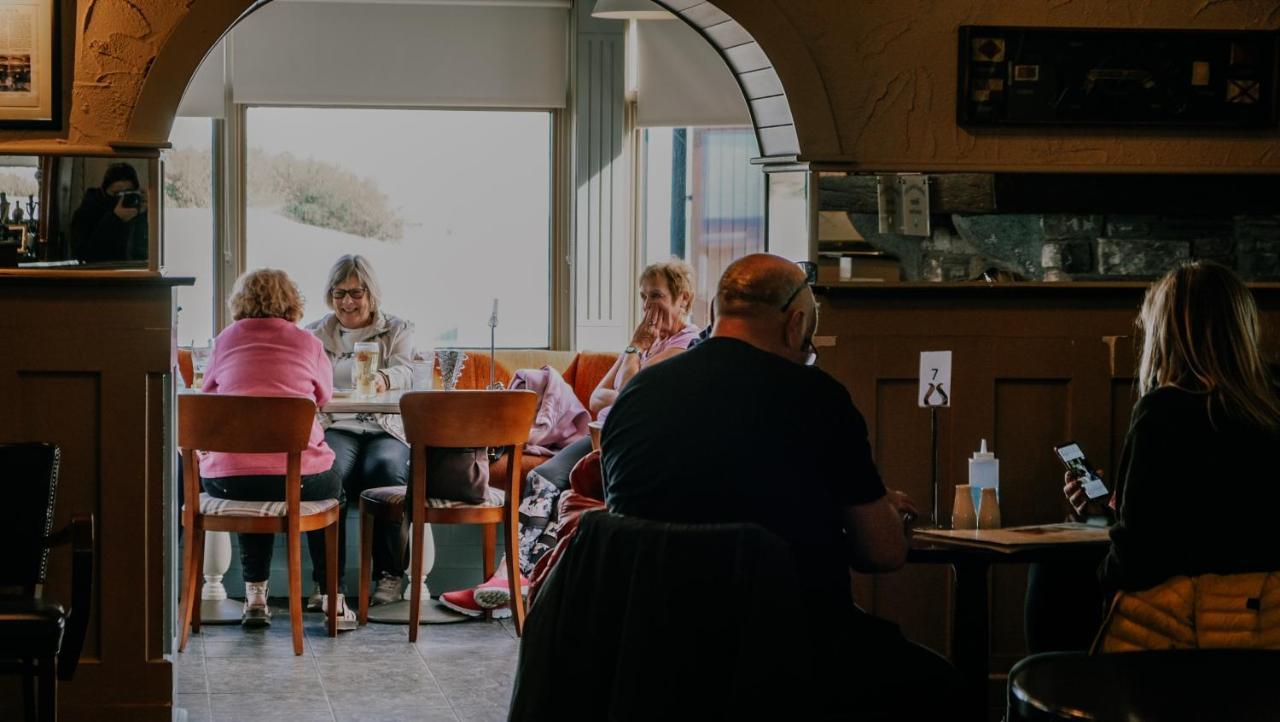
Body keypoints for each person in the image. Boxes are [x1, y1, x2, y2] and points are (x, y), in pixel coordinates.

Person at [600, 253, 956, 719]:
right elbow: (883, 552)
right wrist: (865, 508)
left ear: (715, 316)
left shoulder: (637, 396)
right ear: (796, 324)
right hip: (792, 657)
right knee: (942, 687)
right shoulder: (818, 398)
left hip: (647, 659)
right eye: (809, 344)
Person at [439, 258, 701, 617]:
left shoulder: (686, 343)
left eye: (656, 296)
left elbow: (628, 390)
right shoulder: (647, 345)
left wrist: (634, 353)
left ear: (683, 299)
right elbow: (597, 397)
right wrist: (631, 362)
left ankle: (518, 583)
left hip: (628, 444)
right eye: (642, 297)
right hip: (601, 433)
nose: (646, 308)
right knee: (541, 478)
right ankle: (510, 578)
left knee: (562, 490)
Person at [1068, 261, 1280, 596]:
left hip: (1187, 620)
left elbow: (1139, 556)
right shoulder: (1271, 405)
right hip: (1266, 617)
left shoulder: (1162, 413)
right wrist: (1101, 518)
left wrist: (1102, 537)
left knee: (1052, 575)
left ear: (1163, 333)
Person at [197, 269, 349, 628]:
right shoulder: (308, 343)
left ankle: (255, 595)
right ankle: (332, 597)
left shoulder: (223, 341)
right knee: (333, 484)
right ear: (292, 302)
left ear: (240, 302)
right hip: (298, 479)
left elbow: (208, 395)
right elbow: (323, 398)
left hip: (227, 481)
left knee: (249, 474)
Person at [306, 255, 437, 610]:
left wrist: (384, 378)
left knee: (385, 472)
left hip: (385, 425)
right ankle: (327, 584)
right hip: (339, 425)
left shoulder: (396, 328)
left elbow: (409, 369)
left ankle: (389, 574)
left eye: (356, 292)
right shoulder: (316, 333)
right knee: (327, 476)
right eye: (339, 293)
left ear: (371, 293)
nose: (347, 302)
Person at [70, 162, 148, 263]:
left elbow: (142, 251)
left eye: (127, 193)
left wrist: (145, 213)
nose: (121, 199)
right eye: (116, 194)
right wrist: (114, 219)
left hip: (129, 273)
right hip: (98, 274)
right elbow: (83, 255)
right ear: (104, 191)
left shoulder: (136, 210)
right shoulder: (88, 210)